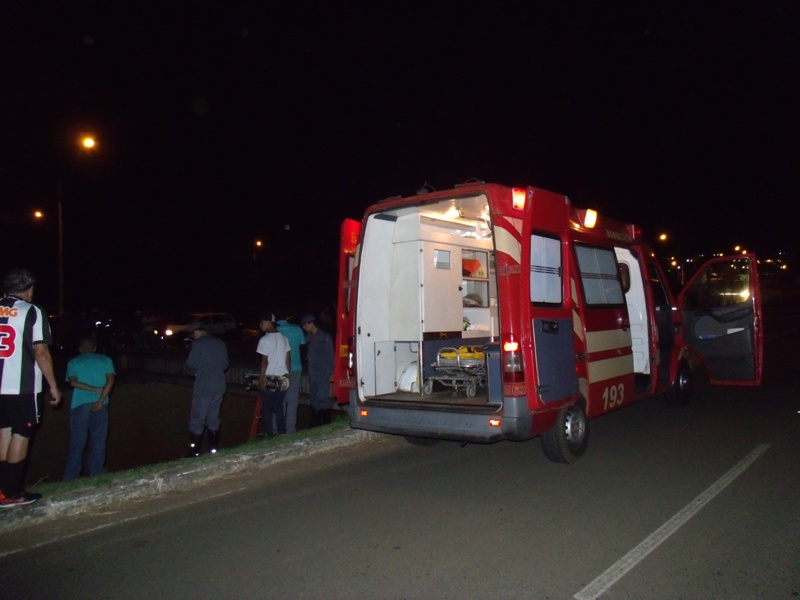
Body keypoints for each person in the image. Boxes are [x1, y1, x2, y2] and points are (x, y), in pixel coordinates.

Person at [0, 268, 62, 508]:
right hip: (22, 387)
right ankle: (11, 492)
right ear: (29, 290)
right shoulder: (32, 311)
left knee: (3, 432)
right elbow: (41, 351)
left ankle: (2, 490)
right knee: (21, 434)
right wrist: (53, 385)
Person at [63, 338, 116, 480]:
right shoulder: (105, 360)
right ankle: (96, 473)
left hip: (80, 404)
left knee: (78, 442)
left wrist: (94, 389)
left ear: (80, 349)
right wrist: (100, 399)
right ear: (94, 348)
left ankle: (71, 477)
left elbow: (73, 383)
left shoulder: (73, 362)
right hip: (102, 404)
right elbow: (111, 380)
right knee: (99, 440)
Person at [185, 321, 229, 457]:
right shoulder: (220, 343)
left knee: (197, 420)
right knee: (213, 418)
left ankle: (194, 452)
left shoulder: (198, 344)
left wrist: (194, 372)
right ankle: (213, 450)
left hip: (203, 387)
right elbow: (225, 364)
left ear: (195, 332)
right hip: (219, 386)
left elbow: (190, 365)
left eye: (192, 335)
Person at [256, 313, 290, 437]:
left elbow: (264, 361)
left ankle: (269, 435)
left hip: (269, 378)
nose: (260, 325)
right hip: (282, 377)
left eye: (262, 322)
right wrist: (287, 376)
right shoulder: (284, 338)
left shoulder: (264, 340)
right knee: (278, 407)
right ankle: (282, 433)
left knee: (267, 409)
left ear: (269, 323)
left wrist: (261, 379)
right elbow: (288, 360)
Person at [300, 313, 334, 427]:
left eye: (305, 325)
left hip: (323, 373)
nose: (304, 327)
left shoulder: (324, 337)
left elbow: (330, 355)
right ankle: (316, 423)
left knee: (322, 398)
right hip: (313, 373)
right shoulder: (308, 337)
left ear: (311, 324)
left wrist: (332, 372)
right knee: (314, 398)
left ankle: (326, 423)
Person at [276, 314, 306, 434]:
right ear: (287, 317)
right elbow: (303, 347)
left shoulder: (274, 331)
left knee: (280, 400)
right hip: (295, 368)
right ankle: (291, 429)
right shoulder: (297, 329)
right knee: (293, 399)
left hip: (279, 369)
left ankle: (278, 429)